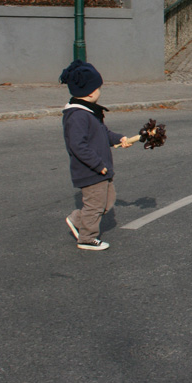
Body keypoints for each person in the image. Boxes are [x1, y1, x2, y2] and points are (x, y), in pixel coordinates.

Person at [60, 60, 133, 251]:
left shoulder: (90, 112)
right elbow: (77, 146)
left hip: (101, 169)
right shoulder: (77, 116)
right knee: (95, 205)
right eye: (99, 89)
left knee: (107, 202)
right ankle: (86, 238)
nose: (100, 92)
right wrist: (97, 165)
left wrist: (120, 139)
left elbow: (104, 134)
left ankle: (76, 219)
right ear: (91, 92)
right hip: (91, 171)